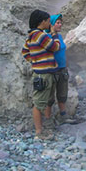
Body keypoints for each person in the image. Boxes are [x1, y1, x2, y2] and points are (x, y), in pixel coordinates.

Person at [21, 9, 60, 139]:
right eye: (48, 21)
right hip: (44, 74)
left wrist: (35, 61)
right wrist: (54, 35)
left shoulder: (31, 36)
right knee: (39, 103)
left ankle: (47, 125)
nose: (49, 24)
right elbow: (55, 47)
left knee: (47, 99)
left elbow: (25, 52)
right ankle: (39, 131)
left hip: (41, 72)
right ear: (42, 22)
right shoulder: (40, 35)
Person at [47, 14, 69, 123]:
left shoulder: (59, 36)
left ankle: (63, 115)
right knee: (50, 96)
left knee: (62, 94)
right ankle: (48, 120)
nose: (60, 24)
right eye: (58, 22)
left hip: (62, 69)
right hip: (52, 70)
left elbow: (63, 50)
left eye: (61, 22)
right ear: (51, 24)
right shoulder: (47, 36)